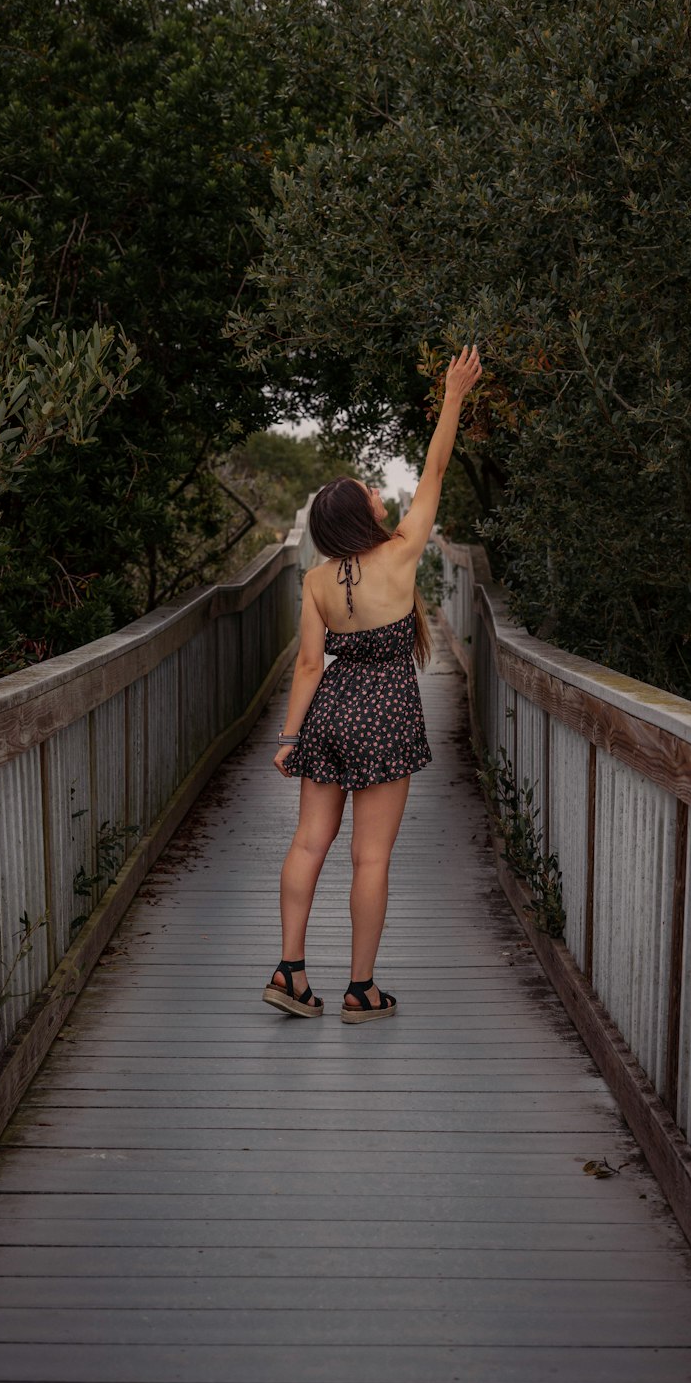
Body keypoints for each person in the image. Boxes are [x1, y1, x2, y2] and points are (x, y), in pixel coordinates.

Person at [263, 344, 483, 1023]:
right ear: (362, 518)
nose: (382, 494)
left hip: (329, 712)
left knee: (307, 843)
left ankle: (290, 972)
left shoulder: (317, 580)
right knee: (370, 857)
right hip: (386, 712)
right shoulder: (401, 555)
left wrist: (291, 735)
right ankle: (361, 988)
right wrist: (452, 397)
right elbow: (436, 470)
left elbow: (306, 665)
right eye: (371, 493)